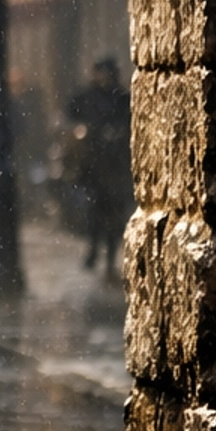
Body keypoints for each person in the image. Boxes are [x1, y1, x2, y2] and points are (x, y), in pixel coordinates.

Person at [68, 55, 132, 277]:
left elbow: (129, 123)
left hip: (116, 164)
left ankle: (109, 257)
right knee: (95, 209)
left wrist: (117, 135)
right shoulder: (86, 97)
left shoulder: (122, 98)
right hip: (93, 163)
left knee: (114, 213)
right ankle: (94, 249)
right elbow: (71, 119)